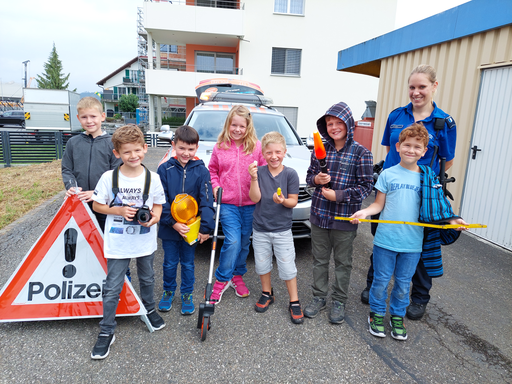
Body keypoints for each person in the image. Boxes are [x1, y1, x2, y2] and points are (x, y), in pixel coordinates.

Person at [350, 123, 467, 340]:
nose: (411, 150)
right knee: (381, 280)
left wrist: (454, 220)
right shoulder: (387, 174)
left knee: (404, 283)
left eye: (417, 146)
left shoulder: (428, 176)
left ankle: (397, 315)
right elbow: (378, 205)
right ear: (398, 147)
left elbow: (440, 206)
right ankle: (376, 314)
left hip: (413, 244)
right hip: (385, 240)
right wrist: (365, 211)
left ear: (424, 151)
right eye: (407, 145)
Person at [360, 64, 457, 321]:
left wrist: (425, 184)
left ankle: (419, 297)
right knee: (383, 239)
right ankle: (373, 286)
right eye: (412, 87)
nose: (416, 92)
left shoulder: (444, 122)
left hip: (422, 195)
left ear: (434, 86)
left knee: (421, 247)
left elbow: (447, 161)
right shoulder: (395, 116)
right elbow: (389, 152)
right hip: (390, 189)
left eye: (422, 87)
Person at [90, 125, 166, 360]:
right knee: (112, 286)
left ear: (145, 148)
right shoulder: (108, 177)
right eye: (127, 153)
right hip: (117, 242)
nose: (133, 156)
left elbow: (158, 205)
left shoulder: (152, 178)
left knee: (148, 277)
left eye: (137, 150)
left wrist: (154, 219)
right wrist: (119, 210)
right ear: (117, 154)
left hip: (144, 241)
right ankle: (106, 329)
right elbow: (96, 205)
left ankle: (149, 308)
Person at [304, 101, 374, 324]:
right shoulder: (319, 150)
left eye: (338, 123)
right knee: (319, 260)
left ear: (348, 124)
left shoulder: (362, 153)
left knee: (343, 262)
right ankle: (318, 296)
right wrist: (317, 179)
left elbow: (366, 187)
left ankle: (339, 300)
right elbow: (309, 179)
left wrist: (339, 195)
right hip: (319, 215)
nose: (333, 127)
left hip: (345, 219)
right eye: (329, 123)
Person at [61, 97, 132, 280]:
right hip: (81, 205)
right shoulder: (73, 143)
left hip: (106, 206)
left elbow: (118, 173)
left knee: (112, 244)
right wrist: (71, 188)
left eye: (93, 116)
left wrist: (98, 193)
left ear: (102, 116)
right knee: (85, 244)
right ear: (78, 118)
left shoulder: (112, 143)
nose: (89, 121)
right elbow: (67, 169)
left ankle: (124, 281)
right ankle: (90, 280)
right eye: (84, 117)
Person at [208, 105, 266, 303]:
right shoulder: (220, 146)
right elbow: (213, 171)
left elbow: (265, 170)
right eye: (234, 125)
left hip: (251, 203)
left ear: (248, 126)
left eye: (242, 126)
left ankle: (237, 274)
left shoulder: (256, 146)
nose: (237, 129)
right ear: (228, 124)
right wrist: (215, 186)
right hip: (228, 203)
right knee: (232, 241)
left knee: (244, 242)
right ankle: (222, 279)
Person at [156, 125, 215, 315]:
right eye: (182, 148)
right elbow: (160, 199)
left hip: (191, 227)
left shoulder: (201, 171)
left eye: (190, 149)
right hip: (170, 227)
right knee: (170, 262)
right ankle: (168, 291)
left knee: (188, 263)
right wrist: (172, 222)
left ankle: (187, 293)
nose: (186, 153)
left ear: (196, 148)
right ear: (174, 145)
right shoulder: (164, 169)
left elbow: (207, 200)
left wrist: (206, 228)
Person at [248, 131, 304, 324]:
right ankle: (267, 293)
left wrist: (283, 200)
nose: (274, 156)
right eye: (269, 152)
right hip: (261, 228)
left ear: (284, 152)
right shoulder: (259, 173)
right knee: (262, 264)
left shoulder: (290, 174)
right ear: (263, 153)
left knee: (288, 266)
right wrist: (253, 178)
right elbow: (255, 198)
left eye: (278, 152)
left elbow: (293, 202)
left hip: (282, 230)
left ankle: (294, 301)